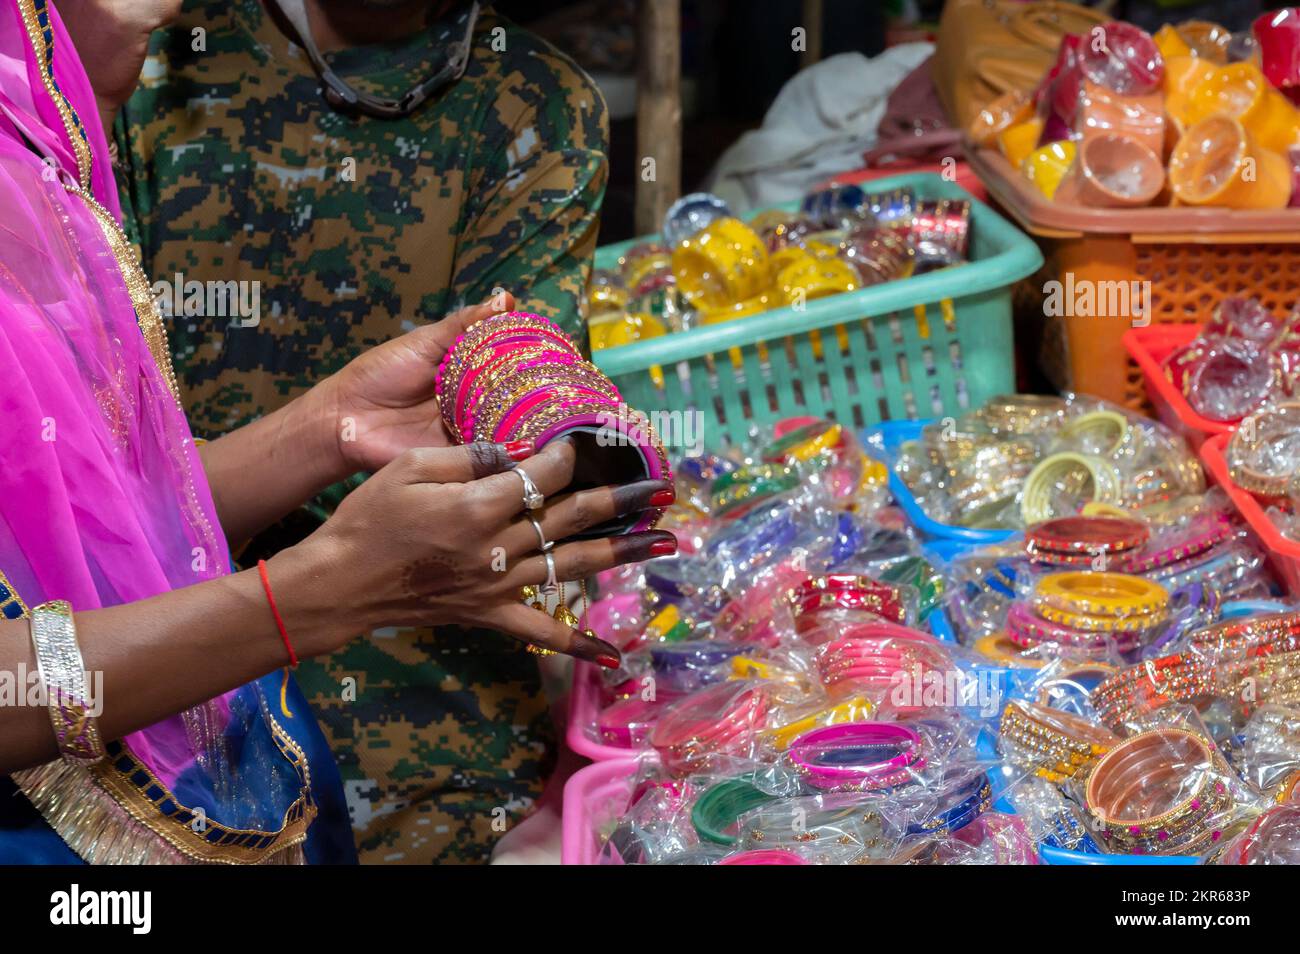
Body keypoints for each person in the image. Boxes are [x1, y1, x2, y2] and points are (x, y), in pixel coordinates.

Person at [0, 0, 669, 864]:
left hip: (257, 736)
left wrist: (332, 428)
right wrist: (311, 597)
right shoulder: (133, 100)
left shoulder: (39, 155)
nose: (170, 6)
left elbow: (104, 523)